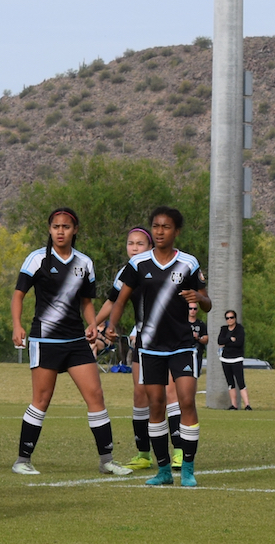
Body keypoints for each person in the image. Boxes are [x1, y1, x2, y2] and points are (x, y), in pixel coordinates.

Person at [11, 207, 131, 477]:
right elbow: (18, 295)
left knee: (96, 396)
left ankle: (107, 460)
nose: (60, 231)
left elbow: (86, 302)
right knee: (41, 399)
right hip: (45, 339)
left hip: (76, 340)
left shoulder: (84, 263)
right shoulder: (37, 259)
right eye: (55, 227)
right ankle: (22, 459)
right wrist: (17, 325)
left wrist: (92, 323)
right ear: (50, 229)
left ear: (75, 230)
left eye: (66, 226)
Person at [108, 206, 211, 487]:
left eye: (166, 227)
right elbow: (120, 300)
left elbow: (207, 302)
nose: (160, 231)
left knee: (187, 401)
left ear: (176, 231)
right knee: (156, 405)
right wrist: (110, 326)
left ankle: (187, 469)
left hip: (182, 345)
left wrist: (199, 299)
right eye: (156, 226)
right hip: (150, 347)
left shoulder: (188, 263)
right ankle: (163, 470)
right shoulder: (139, 263)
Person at [94, 226, 184, 471]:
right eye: (130, 243)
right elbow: (112, 301)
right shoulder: (126, 272)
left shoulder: (167, 265)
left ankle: (179, 451)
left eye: (140, 244)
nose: (134, 248)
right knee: (140, 394)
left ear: (150, 246)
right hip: (144, 341)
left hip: (172, 341)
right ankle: (143, 454)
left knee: (170, 393)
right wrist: (93, 324)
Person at [218, 310, 250, 410]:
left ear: (235, 318)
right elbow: (220, 341)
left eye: (231, 317)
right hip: (225, 359)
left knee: (240, 382)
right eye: (227, 318)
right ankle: (234, 405)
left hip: (237, 358)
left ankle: (247, 405)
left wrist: (227, 342)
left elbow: (239, 343)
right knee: (230, 383)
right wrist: (230, 339)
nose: (229, 320)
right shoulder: (223, 329)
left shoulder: (239, 329)